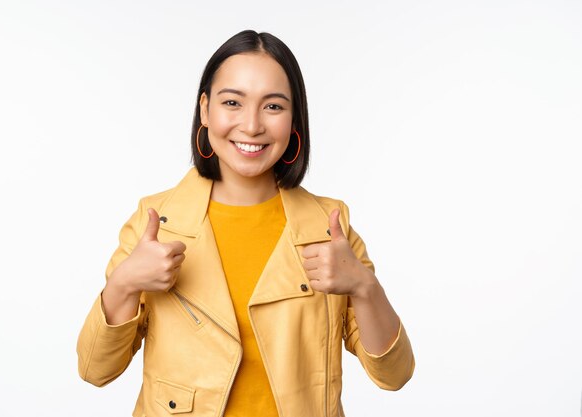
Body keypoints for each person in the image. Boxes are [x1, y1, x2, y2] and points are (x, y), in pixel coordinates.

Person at [77, 29, 414, 417]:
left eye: (273, 107)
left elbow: (395, 374)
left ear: (294, 119)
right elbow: (94, 370)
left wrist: (363, 286)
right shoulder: (155, 222)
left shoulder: (330, 226)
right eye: (232, 102)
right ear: (205, 109)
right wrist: (124, 282)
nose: (252, 125)